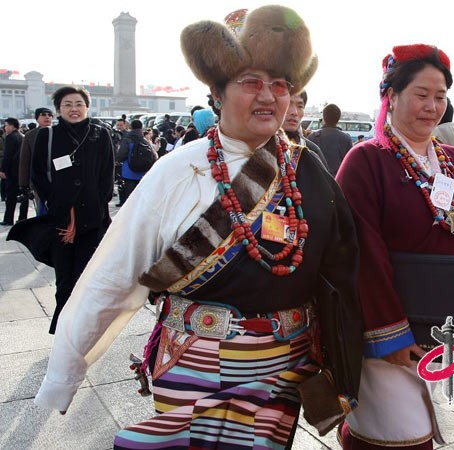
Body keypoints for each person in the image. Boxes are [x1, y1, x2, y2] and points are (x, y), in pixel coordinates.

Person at [33, 6, 363, 450]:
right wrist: (64, 373)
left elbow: (343, 269)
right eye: (251, 83)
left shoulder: (309, 169)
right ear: (218, 92)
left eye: (281, 85)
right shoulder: (174, 171)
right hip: (195, 362)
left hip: (284, 370)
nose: (269, 96)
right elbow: (112, 276)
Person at [336, 43, 454, 450]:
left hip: (438, 321)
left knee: (417, 420)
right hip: (383, 324)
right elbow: (362, 253)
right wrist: (391, 335)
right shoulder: (366, 161)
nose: (432, 106)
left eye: (440, 96)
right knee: (393, 434)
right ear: (391, 97)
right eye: (421, 95)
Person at [9, 85, 114, 334]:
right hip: (59, 221)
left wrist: (98, 207)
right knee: (65, 280)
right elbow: (38, 175)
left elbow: (106, 176)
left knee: (86, 278)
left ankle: (83, 330)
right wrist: (60, 207)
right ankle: (65, 330)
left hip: (92, 222)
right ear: (58, 109)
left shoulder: (100, 135)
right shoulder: (46, 136)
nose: (74, 109)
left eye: (78, 104)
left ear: (87, 107)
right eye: (67, 104)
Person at [18, 107, 54, 216]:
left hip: (58, 179)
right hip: (38, 180)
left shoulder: (59, 133)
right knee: (42, 210)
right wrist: (23, 184)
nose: (47, 117)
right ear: (37, 118)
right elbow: (25, 160)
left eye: (49, 115)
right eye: (43, 114)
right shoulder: (30, 135)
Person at [283, 90, 328, 168]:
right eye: (288, 104)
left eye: (300, 106)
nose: (294, 112)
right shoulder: (258, 148)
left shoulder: (311, 151)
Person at [116, 119, 157, 204]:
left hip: (128, 172)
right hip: (143, 172)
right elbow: (153, 156)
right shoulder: (144, 140)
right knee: (140, 197)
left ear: (130, 127)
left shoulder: (127, 139)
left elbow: (121, 155)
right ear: (142, 128)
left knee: (130, 198)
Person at [308, 103, 353, 176]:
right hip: (338, 182)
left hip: (317, 182)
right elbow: (350, 166)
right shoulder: (346, 138)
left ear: (324, 118)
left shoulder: (312, 137)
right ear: (338, 119)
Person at [0, 117, 26, 225]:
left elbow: (8, 156)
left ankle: (8, 219)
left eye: (6, 125)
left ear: (12, 125)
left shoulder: (10, 137)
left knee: (11, 197)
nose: (5, 128)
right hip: (22, 171)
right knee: (24, 195)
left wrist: (3, 170)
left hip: (12, 172)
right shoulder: (22, 136)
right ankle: (22, 218)